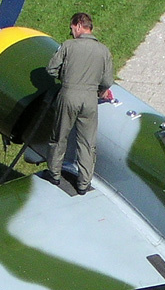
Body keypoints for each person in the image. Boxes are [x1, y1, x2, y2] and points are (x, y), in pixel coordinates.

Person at [44, 12, 113, 194]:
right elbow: (107, 81)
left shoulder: (68, 46)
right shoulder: (104, 51)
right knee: (87, 143)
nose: (71, 32)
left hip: (69, 94)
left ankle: (54, 174)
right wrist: (97, 89)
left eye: (72, 29)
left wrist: (66, 77)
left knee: (59, 137)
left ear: (78, 25)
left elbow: (51, 69)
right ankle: (83, 184)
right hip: (90, 99)